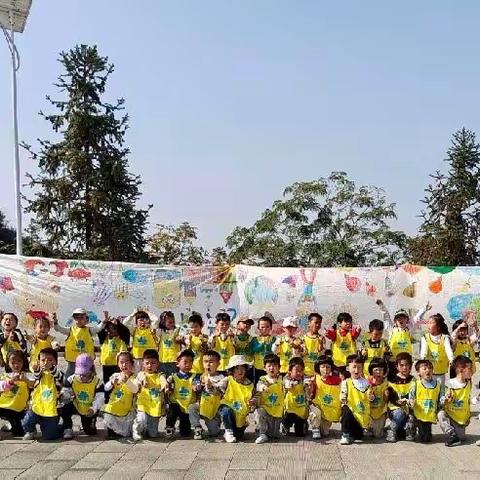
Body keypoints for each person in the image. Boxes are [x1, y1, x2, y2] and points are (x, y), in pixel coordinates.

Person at [21, 347, 64, 440]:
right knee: (26, 422)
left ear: (56, 362)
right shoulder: (40, 374)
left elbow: (59, 377)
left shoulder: (58, 374)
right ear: (38, 361)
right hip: (37, 407)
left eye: (50, 360)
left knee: (49, 436)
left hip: (51, 410)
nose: (46, 362)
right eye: (43, 360)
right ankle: (31, 431)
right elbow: (37, 375)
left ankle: (64, 427)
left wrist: (51, 368)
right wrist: (36, 368)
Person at [61, 353, 104, 439]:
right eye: (79, 373)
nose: (81, 376)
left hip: (89, 408)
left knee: (90, 432)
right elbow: (67, 391)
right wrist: (64, 395)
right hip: (75, 404)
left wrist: (93, 409)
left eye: (84, 374)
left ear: (91, 370)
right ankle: (67, 427)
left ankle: (91, 422)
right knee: (65, 407)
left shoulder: (97, 382)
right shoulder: (71, 379)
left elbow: (100, 398)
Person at [53, 308, 102, 380]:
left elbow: (99, 328)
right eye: (76, 318)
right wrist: (55, 322)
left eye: (82, 318)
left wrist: (105, 321)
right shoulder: (70, 330)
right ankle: (68, 388)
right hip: (73, 360)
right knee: (69, 379)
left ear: (87, 320)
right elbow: (58, 329)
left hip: (86, 361)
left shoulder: (90, 330)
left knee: (89, 378)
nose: (79, 320)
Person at [438, 355, 474, 447]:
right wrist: (446, 399)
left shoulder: (469, 383)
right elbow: (442, 401)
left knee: (462, 438)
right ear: (461, 370)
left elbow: (467, 400)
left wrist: (468, 416)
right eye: (470, 368)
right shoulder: (450, 384)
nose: (472, 371)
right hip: (450, 414)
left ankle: (456, 436)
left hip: (460, 418)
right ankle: (451, 433)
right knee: (441, 414)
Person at [219, 355, 255, 443]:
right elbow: (217, 387)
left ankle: (237, 429)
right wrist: (210, 385)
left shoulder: (250, 384)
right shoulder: (228, 380)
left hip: (240, 415)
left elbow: (255, 396)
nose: (240, 371)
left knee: (239, 435)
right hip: (229, 409)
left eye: (243, 368)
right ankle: (228, 431)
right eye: (237, 368)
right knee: (225, 410)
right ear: (232, 370)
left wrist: (254, 402)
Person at [188, 350, 224, 439]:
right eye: (205, 362)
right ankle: (197, 427)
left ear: (218, 364)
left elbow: (222, 391)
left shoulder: (223, 378)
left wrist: (212, 386)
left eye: (211, 362)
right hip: (202, 406)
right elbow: (194, 385)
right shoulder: (199, 376)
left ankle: (217, 426)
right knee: (192, 407)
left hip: (214, 409)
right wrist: (197, 386)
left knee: (214, 433)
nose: (208, 365)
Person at [132, 349, 167, 441]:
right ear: (143, 363)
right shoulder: (141, 374)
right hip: (143, 404)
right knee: (141, 419)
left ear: (158, 363)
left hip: (155, 406)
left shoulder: (160, 375)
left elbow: (163, 381)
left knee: (153, 434)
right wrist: (143, 380)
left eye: (153, 363)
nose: (150, 366)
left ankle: (147, 429)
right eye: (147, 363)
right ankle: (136, 430)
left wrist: (165, 385)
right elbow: (140, 378)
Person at [103, 351, 138, 438]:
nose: (124, 365)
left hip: (127, 406)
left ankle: (121, 431)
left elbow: (135, 389)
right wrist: (111, 383)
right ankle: (111, 431)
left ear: (132, 363)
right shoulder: (116, 375)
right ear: (118, 364)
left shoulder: (135, 377)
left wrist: (127, 381)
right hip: (115, 404)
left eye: (127, 362)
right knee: (109, 413)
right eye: (121, 362)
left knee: (126, 431)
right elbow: (106, 388)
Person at [339, 354, 371, 445]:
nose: (356, 370)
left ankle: (360, 429)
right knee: (345, 409)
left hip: (361, 415)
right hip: (351, 412)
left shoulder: (366, 383)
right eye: (354, 367)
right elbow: (342, 397)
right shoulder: (346, 382)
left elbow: (370, 397)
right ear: (348, 368)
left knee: (358, 437)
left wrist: (371, 396)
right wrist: (343, 399)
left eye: (359, 367)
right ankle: (345, 434)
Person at [409, 359, 443, 443]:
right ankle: (411, 430)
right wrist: (411, 402)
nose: (428, 370)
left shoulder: (437, 384)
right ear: (418, 372)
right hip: (418, 413)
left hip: (429, 414)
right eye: (424, 369)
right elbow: (411, 396)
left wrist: (444, 401)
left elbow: (441, 397)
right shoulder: (415, 384)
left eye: (430, 368)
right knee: (411, 421)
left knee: (426, 438)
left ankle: (425, 432)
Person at [283, 357, 317, 438]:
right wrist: (293, 383)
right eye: (296, 370)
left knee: (300, 434)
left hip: (301, 410)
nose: (299, 373)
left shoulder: (305, 378)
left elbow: (309, 392)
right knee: (287, 419)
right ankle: (285, 425)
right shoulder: (286, 378)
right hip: (289, 409)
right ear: (290, 371)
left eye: (301, 370)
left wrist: (310, 385)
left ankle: (304, 424)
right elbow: (287, 385)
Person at [0, 351, 32, 436]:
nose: (16, 365)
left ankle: (11, 426)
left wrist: (26, 381)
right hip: (4, 406)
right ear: (8, 364)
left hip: (19, 409)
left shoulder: (28, 376)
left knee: (19, 432)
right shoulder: (5, 376)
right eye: (13, 362)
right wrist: (11, 381)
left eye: (19, 361)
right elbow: (2, 387)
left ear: (24, 361)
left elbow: (35, 385)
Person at [165, 349, 196, 438]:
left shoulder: (194, 376)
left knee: (185, 432)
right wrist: (168, 388)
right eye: (185, 361)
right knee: (172, 410)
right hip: (176, 404)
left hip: (187, 406)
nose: (188, 364)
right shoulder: (173, 377)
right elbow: (168, 386)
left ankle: (184, 427)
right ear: (178, 363)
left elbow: (197, 384)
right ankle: (170, 427)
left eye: (190, 362)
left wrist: (197, 387)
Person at [386, 352, 415, 443]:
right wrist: (397, 402)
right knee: (400, 413)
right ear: (397, 366)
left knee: (413, 416)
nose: (405, 367)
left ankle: (408, 431)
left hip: (409, 409)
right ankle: (391, 430)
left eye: (407, 365)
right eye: (401, 365)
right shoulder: (392, 380)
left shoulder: (414, 380)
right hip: (395, 409)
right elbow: (389, 398)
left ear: (410, 366)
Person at [255, 353, 284, 444]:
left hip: (276, 411)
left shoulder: (281, 379)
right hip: (266, 410)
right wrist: (262, 387)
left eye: (274, 365)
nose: (272, 368)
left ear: (279, 367)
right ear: (264, 368)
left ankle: (274, 431)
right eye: (269, 366)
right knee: (259, 411)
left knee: (274, 434)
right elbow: (259, 386)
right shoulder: (262, 379)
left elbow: (287, 385)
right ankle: (262, 433)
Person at [310, 355, 341, 438]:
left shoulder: (337, 381)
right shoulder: (315, 379)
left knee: (325, 433)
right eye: (323, 367)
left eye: (328, 367)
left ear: (331, 368)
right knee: (315, 412)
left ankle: (320, 426)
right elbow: (310, 394)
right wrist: (311, 385)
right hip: (317, 407)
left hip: (328, 410)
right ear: (318, 368)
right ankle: (315, 428)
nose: (325, 369)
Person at [420, 314, 454, 386]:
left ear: (438, 327)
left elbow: (448, 350)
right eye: (428, 322)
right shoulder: (425, 338)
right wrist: (422, 360)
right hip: (428, 372)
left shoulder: (444, 338)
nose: (428, 325)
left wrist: (451, 360)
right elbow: (424, 351)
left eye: (431, 323)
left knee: (440, 393)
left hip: (440, 372)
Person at [98, 314, 130, 386]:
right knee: (107, 383)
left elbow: (125, 331)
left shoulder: (123, 339)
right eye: (108, 328)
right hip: (106, 365)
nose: (110, 331)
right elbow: (99, 331)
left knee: (118, 383)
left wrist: (118, 323)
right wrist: (105, 321)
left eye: (113, 328)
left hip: (117, 365)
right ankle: (107, 397)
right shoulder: (104, 338)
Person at [325, 313, 361, 377]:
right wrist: (328, 332)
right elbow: (330, 334)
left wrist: (358, 330)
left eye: (350, 321)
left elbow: (355, 334)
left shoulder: (352, 333)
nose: (348, 323)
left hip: (350, 364)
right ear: (339, 323)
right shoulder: (335, 333)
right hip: (337, 365)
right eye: (346, 321)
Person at [122, 309, 158, 373]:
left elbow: (156, 320)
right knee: (137, 378)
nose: (143, 322)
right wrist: (133, 314)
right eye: (140, 320)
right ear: (136, 322)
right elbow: (124, 323)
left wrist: (147, 312)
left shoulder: (152, 329)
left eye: (146, 320)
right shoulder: (134, 330)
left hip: (149, 359)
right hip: (137, 359)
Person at [367, 357, 390, 439]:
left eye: (381, 370)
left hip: (381, 411)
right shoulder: (367, 382)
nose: (378, 372)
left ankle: (388, 427)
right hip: (368, 412)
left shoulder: (386, 383)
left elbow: (387, 401)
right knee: (367, 433)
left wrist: (387, 395)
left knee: (378, 435)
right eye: (376, 370)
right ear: (371, 371)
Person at [251, 316, 276, 384]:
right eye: (262, 327)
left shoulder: (274, 339)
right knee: (258, 384)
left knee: (270, 384)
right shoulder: (255, 339)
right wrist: (260, 346)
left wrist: (269, 346)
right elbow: (253, 349)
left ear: (271, 328)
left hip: (270, 367)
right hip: (258, 367)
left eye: (267, 327)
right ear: (258, 328)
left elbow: (275, 350)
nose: (264, 329)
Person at [158, 311, 182, 377]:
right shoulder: (161, 332)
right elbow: (155, 324)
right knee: (163, 380)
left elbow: (182, 337)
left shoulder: (177, 330)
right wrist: (163, 316)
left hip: (174, 361)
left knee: (173, 380)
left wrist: (180, 339)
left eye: (173, 322)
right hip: (162, 360)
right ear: (163, 322)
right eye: (170, 322)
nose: (172, 324)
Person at [302, 313, 325, 377]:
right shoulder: (302, 338)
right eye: (316, 322)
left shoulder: (322, 338)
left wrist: (321, 346)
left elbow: (322, 355)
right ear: (309, 323)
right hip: (304, 372)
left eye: (320, 323)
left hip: (317, 373)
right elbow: (300, 354)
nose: (318, 325)